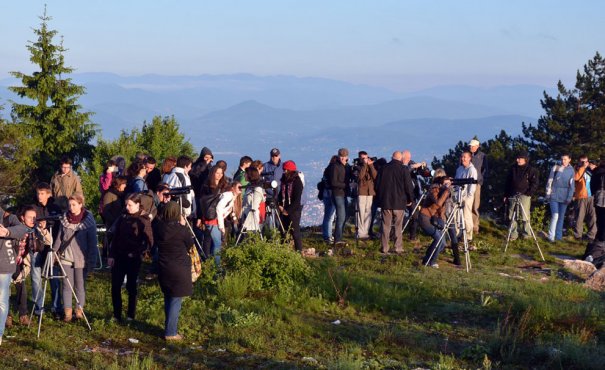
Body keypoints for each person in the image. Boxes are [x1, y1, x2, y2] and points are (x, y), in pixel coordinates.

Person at [108, 193, 153, 322]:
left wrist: (138, 252)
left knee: (131, 287)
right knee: (115, 286)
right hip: (119, 256)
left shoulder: (144, 220)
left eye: (130, 205)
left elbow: (149, 241)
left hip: (133, 258)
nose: (127, 207)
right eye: (126, 204)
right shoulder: (122, 217)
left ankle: (130, 315)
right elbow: (115, 238)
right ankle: (117, 314)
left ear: (138, 204)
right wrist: (111, 255)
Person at [52, 194, 97, 322]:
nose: (71, 207)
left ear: (80, 205)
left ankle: (79, 312)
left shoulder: (88, 221)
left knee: (79, 286)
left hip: (81, 259)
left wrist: (91, 263)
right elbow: (59, 238)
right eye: (69, 205)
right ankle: (67, 313)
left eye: (74, 205)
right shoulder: (64, 219)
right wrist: (54, 252)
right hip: (66, 257)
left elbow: (93, 244)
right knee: (66, 286)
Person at [155, 201, 192, 341]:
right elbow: (190, 244)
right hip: (179, 266)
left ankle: (168, 326)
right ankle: (171, 332)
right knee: (176, 300)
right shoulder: (181, 230)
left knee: (168, 297)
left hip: (164, 266)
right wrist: (182, 225)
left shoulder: (158, 227)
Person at [31, 182, 62, 317]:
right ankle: (39, 307)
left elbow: (60, 225)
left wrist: (48, 223)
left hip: (51, 247)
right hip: (37, 247)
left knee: (54, 278)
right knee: (36, 278)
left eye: (42, 193)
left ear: (49, 194)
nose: (39, 196)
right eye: (38, 193)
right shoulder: (33, 208)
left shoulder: (55, 207)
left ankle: (56, 307)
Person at [374, 151, 414, 255]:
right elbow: (409, 187)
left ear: (392, 157)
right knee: (398, 226)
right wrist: (410, 199)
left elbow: (376, 185)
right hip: (400, 203)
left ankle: (384, 247)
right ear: (401, 159)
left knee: (385, 226)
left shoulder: (383, 168)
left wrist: (380, 198)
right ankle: (398, 248)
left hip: (386, 202)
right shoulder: (404, 169)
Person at [0, 208, 28, 345]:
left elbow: (22, 229)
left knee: (1, 300)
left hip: (4, 265)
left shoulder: (8, 218)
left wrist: (7, 232)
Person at [419, 170, 453, 267]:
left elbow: (442, 207)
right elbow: (438, 203)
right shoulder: (433, 189)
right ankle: (431, 261)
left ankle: (427, 258)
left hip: (433, 218)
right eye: (443, 179)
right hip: (425, 217)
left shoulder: (441, 190)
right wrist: (447, 190)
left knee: (442, 243)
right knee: (438, 238)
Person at [504, 151, 539, 241]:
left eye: (520, 158)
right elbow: (507, 182)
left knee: (525, 215)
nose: (517, 160)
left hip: (525, 195)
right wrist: (506, 194)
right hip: (513, 193)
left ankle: (526, 234)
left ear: (525, 159)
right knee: (512, 215)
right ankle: (513, 233)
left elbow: (534, 183)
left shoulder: (531, 170)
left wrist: (529, 193)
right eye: (517, 158)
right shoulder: (513, 169)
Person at [199, 166, 228, 260]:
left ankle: (208, 261)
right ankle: (216, 267)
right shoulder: (206, 186)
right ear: (213, 173)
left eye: (221, 173)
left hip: (220, 215)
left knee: (209, 240)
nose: (220, 175)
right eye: (217, 173)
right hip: (210, 216)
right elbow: (203, 202)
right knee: (216, 242)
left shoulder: (223, 185)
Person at [545, 154, 575, 242]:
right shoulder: (555, 167)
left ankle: (559, 237)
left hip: (564, 197)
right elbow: (550, 181)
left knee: (561, 217)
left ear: (569, 160)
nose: (563, 161)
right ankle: (551, 237)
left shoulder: (571, 170)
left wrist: (569, 197)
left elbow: (572, 185)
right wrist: (548, 194)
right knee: (555, 215)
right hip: (553, 195)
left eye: (565, 159)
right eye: (562, 159)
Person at [278, 161, 304, 251]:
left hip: (293, 211)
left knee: (295, 232)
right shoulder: (284, 181)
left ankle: (298, 252)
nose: (284, 172)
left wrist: (287, 211)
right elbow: (280, 195)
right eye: (284, 170)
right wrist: (280, 205)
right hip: (283, 209)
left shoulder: (297, 182)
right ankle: (284, 250)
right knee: (283, 231)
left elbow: (297, 200)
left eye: (286, 170)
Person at [328, 148, 351, 246]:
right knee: (341, 216)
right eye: (341, 157)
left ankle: (339, 235)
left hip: (344, 194)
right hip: (337, 194)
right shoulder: (335, 167)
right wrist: (346, 185)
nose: (342, 159)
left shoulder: (347, 167)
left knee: (345, 215)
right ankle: (337, 238)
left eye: (344, 157)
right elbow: (333, 182)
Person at [401, 150, 426, 241]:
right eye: (407, 158)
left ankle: (412, 236)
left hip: (412, 197)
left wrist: (421, 168)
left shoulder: (413, 174)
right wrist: (415, 166)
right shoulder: (402, 168)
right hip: (403, 196)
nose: (409, 159)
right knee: (401, 216)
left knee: (415, 215)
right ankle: (397, 234)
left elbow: (422, 173)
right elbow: (408, 169)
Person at [455, 151, 478, 244]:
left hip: (467, 196)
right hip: (458, 195)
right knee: (457, 216)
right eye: (462, 157)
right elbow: (456, 181)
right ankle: (458, 234)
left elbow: (472, 185)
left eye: (465, 157)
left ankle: (468, 236)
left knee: (466, 216)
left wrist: (469, 197)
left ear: (469, 158)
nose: (463, 159)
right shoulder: (459, 169)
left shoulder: (472, 170)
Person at [573, 155, 597, 241]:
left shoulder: (592, 169)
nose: (584, 163)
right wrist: (582, 167)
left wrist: (593, 167)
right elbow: (576, 178)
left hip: (592, 196)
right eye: (582, 161)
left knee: (593, 216)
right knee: (579, 217)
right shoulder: (576, 169)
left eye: (585, 162)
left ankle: (591, 235)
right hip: (581, 196)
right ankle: (578, 236)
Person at [469, 138, 488, 234]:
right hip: (467, 183)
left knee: (475, 205)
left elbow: (485, 169)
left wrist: (480, 180)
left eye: (472, 146)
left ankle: (475, 226)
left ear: (477, 146)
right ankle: (468, 225)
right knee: (467, 204)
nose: (471, 147)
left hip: (476, 184)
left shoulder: (482, 156)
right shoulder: (467, 155)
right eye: (470, 146)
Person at [356, 151, 377, 240]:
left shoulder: (370, 166)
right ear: (360, 158)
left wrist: (371, 165)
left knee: (368, 212)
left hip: (370, 192)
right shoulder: (357, 166)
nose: (365, 159)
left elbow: (375, 176)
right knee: (361, 212)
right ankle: (361, 233)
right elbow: (360, 177)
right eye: (363, 158)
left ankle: (366, 231)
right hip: (361, 192)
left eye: (366, 157)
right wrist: (365, 165)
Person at [242, 168, 265, 235]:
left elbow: (254, 207)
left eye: (245, 174)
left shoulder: (257, 189)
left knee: (251, 238)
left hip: (252, 220)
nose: (244, 176)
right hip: (246, 215)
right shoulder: (249, 187)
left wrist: (246, 223)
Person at [321, 156, 338, 243]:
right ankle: (328, 236)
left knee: (327, 216)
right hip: (331, 195)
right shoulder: (333, 170)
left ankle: (326, 234)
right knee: (330, 217)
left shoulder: (327, 169)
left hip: (325, 194)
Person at [590, 155, 605, 242]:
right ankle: (601, 237)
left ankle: (600, 237)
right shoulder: (598, 171)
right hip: (600, 194)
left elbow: (593, 185)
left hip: (599, 195)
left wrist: (594, 193)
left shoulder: (597, 171)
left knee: (600, 217)